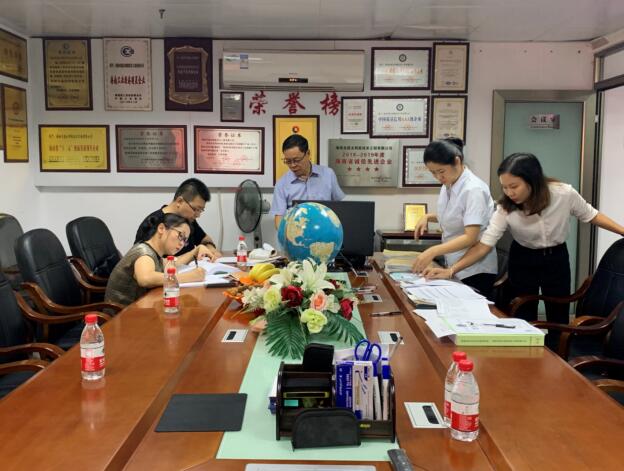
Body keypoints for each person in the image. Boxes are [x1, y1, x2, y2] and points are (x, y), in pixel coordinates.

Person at [424, 152, 624, 325]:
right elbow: (483, 245)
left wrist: (622, 231)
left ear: (532, 180)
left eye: (514, 186)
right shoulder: (505, 207)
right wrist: (451, 270)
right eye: (504, 187)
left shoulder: (563, 193)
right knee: (523, 313)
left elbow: (591, 215)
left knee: (558, 313)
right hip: (523, 258)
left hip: (556, 257)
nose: (509, 193)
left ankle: (558, 354)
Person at [411, 138, 498, 298]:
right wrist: (428, 216)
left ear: (457, 161)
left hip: (475, 270)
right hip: (456, 265)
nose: (438, 177)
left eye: (441, 171)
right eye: (433, 173)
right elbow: (456, 215)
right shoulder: (450, 184)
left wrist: (432, 251)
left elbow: (470, 237)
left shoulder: (473, 189)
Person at [106, 213, 209, 306]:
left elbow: (173, 262)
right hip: (121, 315)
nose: (182, 243)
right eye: (180, 236)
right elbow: (145, 278)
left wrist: (195, 251)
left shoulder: (154, 252)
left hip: (137, 309)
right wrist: (189, 277)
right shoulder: (144, 253)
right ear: (161, 228)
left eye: (185, 240)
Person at [135, 178, 222, 260]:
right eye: (195, 209)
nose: (198, 215)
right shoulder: (153, 222)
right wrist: (193, 253)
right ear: (180, 201)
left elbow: (204, 238)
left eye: (200, 210)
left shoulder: (187, 220)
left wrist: (211, 248)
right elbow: (147, 262)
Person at [271, 134, 345, 229]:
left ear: (308, 154)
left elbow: (340, 206)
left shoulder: (328, 174)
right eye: (288, 161)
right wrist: (283, 234)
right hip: (297, 234)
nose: (293, 165)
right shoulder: (281, 184)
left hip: (326, 231)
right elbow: (279, 217)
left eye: (297, 160)